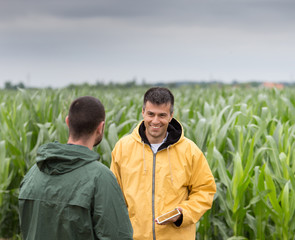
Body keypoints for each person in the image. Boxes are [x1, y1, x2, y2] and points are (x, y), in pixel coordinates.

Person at [18, 96, 133, 240]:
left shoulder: (33, 173)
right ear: (100, 127)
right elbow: (118, 236)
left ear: (67, 122)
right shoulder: (101, 178)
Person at [111, 87, 216, 240]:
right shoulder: (122, 148)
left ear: (171, 116)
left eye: (162, 115)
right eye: (151, 114)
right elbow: (114, 195)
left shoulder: (190, 150)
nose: (155, 121)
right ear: (143, 112)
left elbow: (205, 190)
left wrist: (182, 214)